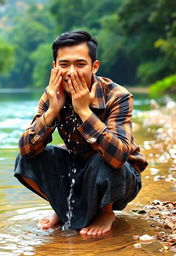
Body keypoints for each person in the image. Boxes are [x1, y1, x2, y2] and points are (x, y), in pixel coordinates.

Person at [14, 30, 148, 236]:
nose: (71, 72)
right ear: (54, 67)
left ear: (94, 66)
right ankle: (63, 209)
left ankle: (106, 212)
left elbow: (119, 157)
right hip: (78, 172)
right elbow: (25, 149)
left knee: (103, 159)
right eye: (64, 64)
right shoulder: (52, 95)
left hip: (119, 178)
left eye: (80, 64)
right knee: (25, 159)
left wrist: (84, 111)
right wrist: (51, 112)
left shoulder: (117, 95)